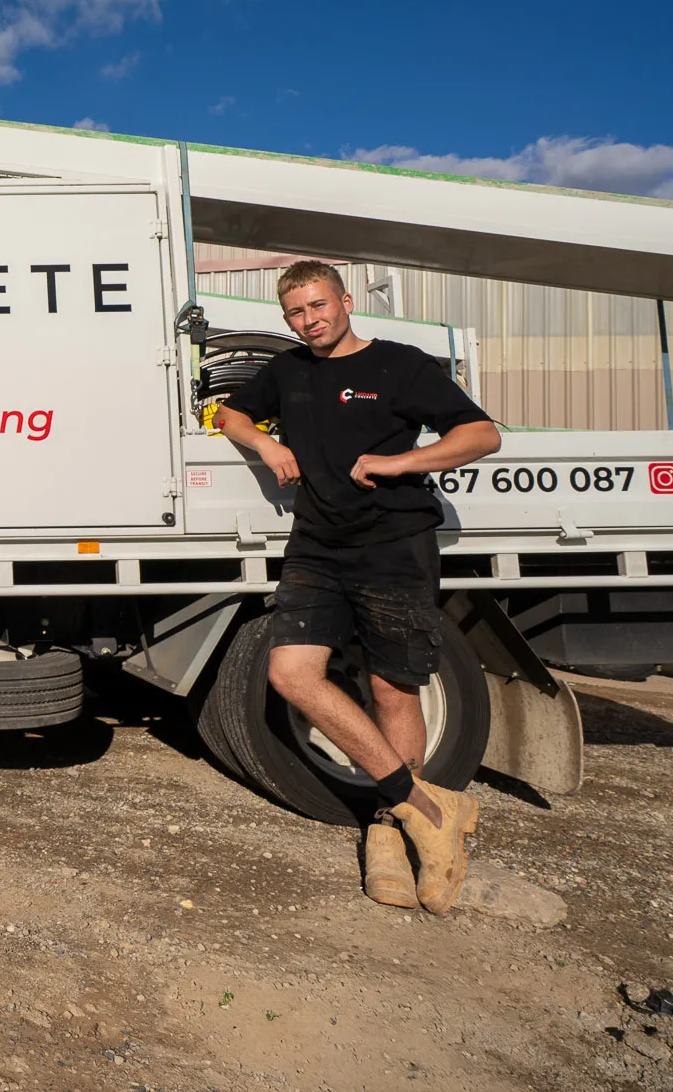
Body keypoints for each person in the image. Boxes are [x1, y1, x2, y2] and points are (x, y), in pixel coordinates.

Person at [215, 261, 501, 914]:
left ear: (345, 301)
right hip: (317, 543)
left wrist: (401, 461)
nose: (308, 320)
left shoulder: (398, 365)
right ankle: (430, 811)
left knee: (390, 689)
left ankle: (392, 832)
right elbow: (230, 414)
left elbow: (481, 433)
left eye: (317, 306)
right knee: (291, 673)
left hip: (392, 544)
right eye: (295, 312)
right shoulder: (289, 370)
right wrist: (263, 442)